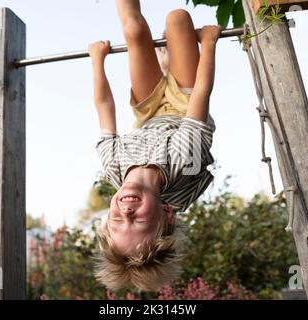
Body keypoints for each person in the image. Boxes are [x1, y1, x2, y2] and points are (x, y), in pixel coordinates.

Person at [88, 0, 222, 292]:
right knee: (177, 19)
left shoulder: (113, 165)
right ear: (167, 214)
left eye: (116, 222)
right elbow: (201, 93)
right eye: (137, 224)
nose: (126, 214)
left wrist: (97, 61)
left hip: (148, 114)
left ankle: (165, 64)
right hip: (185, 106)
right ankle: (170, 64)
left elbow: (104, 106)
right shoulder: (184, 162)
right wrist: (209, 44)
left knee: (135, 31)